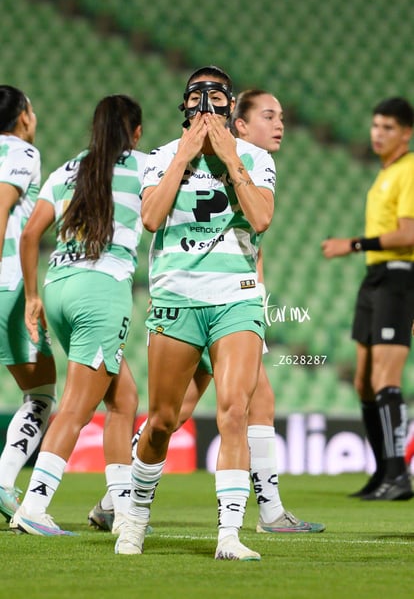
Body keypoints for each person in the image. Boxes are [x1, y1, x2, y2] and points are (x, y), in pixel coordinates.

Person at [89, 89, 324, 535]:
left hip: (233, 298)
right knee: (193, 411)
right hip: (202, 299)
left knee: (190, 412)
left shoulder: (255, 167)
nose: (279, 125)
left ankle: (112, 502)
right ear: (239, 124)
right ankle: (269, 512)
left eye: (282, 116)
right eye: (268, 116)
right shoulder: (228, 163)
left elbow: (252, 238)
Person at [115, 66, 275, 560]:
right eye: (197, 95)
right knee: (162, 420)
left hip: (236, 295)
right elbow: (149, 217)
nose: (207, 104)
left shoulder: (255, 156)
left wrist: (230, 159)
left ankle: (229, 535)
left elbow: (262, 217)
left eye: (217, 96)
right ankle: (135, 515)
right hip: (176, 296)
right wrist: (185, 155)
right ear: (184, 105)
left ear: (231, 105)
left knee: (233, 409)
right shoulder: (161, 157)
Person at [9, 94, 145, 535]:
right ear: (136, 132)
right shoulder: (141, 168)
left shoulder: (68, 169)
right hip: (101, 291)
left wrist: (32, 297)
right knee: (75, 406)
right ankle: (33, 505)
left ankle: (122, 509)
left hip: (57, 288)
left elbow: (30, 235)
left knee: (123, 398)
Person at [322, 97, 414, 501]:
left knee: (385, 379)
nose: (378, 133)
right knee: (363, 382)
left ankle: (399, 475)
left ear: (406, 133)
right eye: (375, 125)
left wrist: (353, 243)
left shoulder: (410, 170)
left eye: (388, 127)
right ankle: (383, 474)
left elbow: (409, 234)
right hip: (374, 278)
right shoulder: (384, 175)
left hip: (399, 277)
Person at [0, 85, 56, 522]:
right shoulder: (21, 152)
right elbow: (1, 208)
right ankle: (3, 482)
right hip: (8, 286)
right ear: (22, 116)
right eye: (31, 109)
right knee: (41, 391)